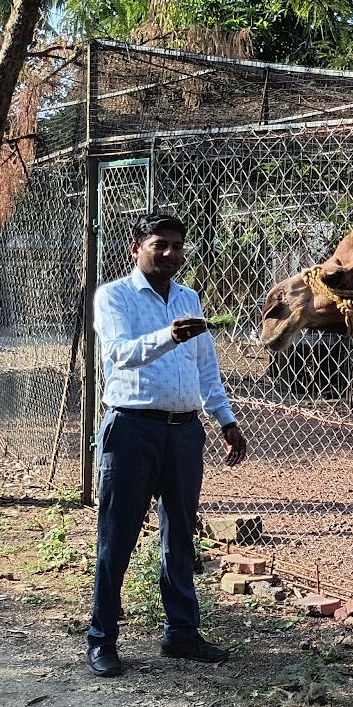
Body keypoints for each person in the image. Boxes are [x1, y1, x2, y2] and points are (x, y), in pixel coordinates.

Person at [86, 212, 249, 678]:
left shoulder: (189, 297)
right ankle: (102, 639)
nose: (170, 254)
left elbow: (205, 367)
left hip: (183, 431)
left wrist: (225, 419)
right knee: (116, 537)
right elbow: (120, 352)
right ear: (135, 247)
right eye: (160, 244)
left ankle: (181, 633)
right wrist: (167, 336)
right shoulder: (113, 296)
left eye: (177, 246)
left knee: (179, 535)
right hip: (132, 429)